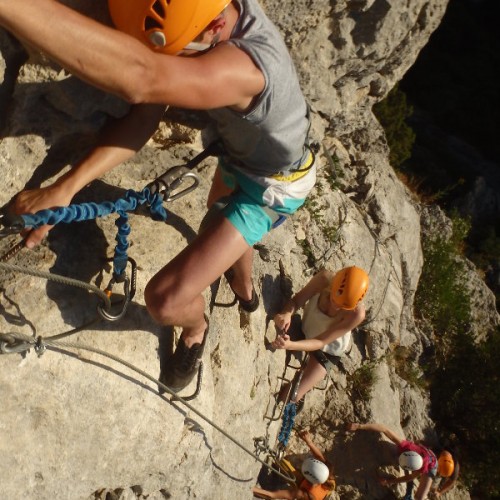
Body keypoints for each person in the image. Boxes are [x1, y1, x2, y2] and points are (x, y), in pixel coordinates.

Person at [0, 0, 315, 392]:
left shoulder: (244, 69)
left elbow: (143, 77)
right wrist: (63, 190)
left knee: (165, 301)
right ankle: (242, 286)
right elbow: (145, 114)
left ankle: (199, 323)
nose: (171, 58)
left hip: (272, 188)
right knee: (218, 219)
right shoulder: (203, 12)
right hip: (241, 157)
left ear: (216, 26)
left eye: (176, 50)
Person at [272, 267, 368, 407]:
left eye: (342, 307)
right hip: (305, 330)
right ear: (333, 285)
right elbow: (297, 301)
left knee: (289, 397)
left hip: (327, 350)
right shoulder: (323, 279)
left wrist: (290, 345)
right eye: (333, 299)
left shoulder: (356, 314)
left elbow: (321, 341)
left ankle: (300, 395)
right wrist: (287, 314)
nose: (335, 307)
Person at [346, 422, 440, 500]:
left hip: (433, 464)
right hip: (422, 452)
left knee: (419, 497)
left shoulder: (423, 467)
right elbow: (384, 429)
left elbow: (410, 477)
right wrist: (360, 426)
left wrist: (390, 481)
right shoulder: (406, 446)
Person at [252, 429, 335, 500]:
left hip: (308, 493)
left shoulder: (305, 494)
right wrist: (308, 441)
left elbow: (272, 495)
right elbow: (319, 456)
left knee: (286, 471)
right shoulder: (327, 472)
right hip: (315, 484)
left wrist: (251, 489)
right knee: (282, 464)